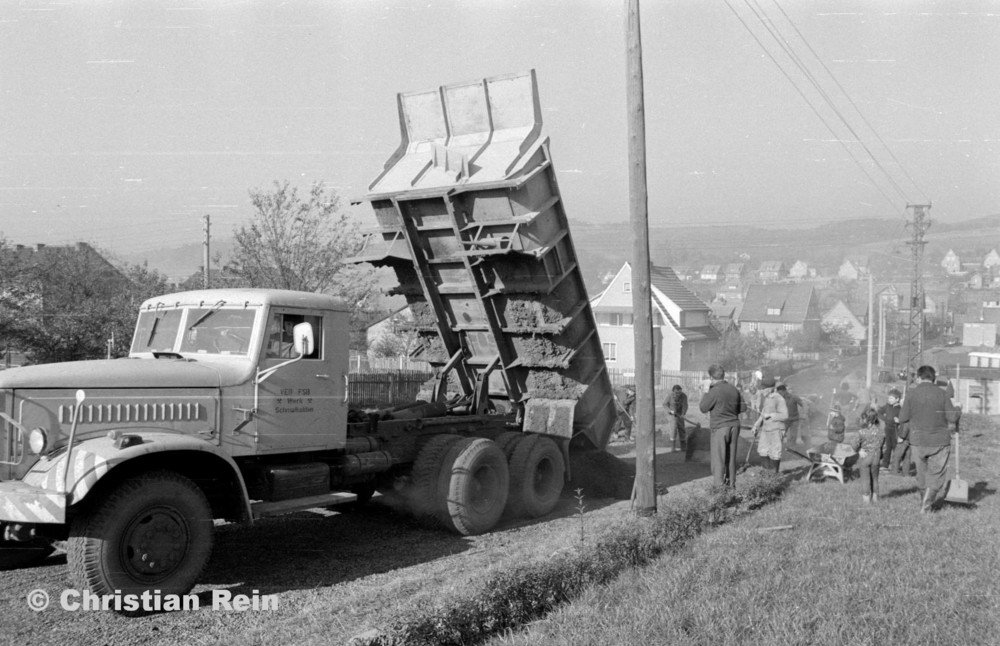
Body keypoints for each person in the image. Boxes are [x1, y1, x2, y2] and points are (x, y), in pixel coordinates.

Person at [898, 365, 960, 513]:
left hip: (918, 441)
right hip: (940, 441)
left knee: (921, 474)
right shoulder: (942, 393)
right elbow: (952, 417)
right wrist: (959, 408)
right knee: (936, 474)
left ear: (918, 378)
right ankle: (926, 506)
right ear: (935, 378)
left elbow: (902, 418)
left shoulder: (911, 394)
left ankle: (924, 503)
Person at [698, 364, 747, 487]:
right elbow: (743, 407)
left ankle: (719, 489)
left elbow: (703, 407)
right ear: (723, 375)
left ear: (710, 377)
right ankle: (731, 485)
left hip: (720, 427)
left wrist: (705, 391)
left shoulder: (714, 390)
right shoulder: (734, 389)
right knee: (730, 458)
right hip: (734, 426)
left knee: (718, 458)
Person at [753, 376, 788, 473]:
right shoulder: (767, 398)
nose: (761, 391)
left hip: (776, 429)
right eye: (761, 388)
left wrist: (771, 415)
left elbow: (785, 415)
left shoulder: (778, 398)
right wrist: (756, 425)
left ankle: (773, 476)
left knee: (775, 452)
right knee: (763, 450)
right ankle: (766, 474)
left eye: (763, 388)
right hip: (766, 429)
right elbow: (763, 414)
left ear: (771, 388)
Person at [851, 407, 886, 504]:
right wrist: (880, 455)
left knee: (865, 479)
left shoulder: (862, 431)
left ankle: (866, 500)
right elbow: (884, 447)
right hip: (876, 457)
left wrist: (859, 450)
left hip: (865, 457)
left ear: (866, 419)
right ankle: (875, 498)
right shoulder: (881, 431)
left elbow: (854, 443)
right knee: (875, 478)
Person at [877, 389, 902, 473]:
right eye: (889, 398)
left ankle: (896, 467)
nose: (889, 400)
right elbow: (879, 412)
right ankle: (885, 465)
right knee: (887, 447)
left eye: (891, 398)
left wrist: (899, 421)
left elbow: (904, 420)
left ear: (897, 399)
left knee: (896, 448)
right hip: (887, 429)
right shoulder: (887, 406)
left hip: (895, 429)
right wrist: (885, 419)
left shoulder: (900, 409)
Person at [665, 385, 691, 460]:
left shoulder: (684, 396)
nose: (678, 394)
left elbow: (685, 405)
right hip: (672, 414)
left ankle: (683, 447)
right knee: (673, 429)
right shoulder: (669, 396)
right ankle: (672, 447)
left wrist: (683, 413)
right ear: (673, 391)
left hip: (680, 414)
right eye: (676, 392)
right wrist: (670, 411)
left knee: (682, 429)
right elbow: (665, 404)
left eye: (680, 392)